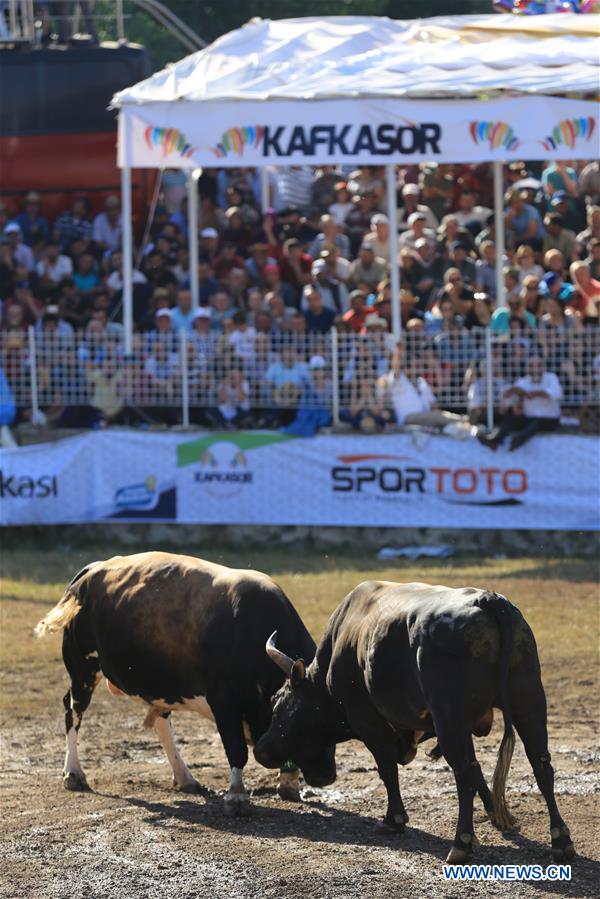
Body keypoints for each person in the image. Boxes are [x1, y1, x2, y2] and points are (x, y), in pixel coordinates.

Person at [479, 355, 562, 452]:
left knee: (537, 423)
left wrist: (531, 394)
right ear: (527, 368)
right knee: (510, 418)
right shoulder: (523, 382)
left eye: (539, 365)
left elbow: (554, 394)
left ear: (543, 367)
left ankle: (519, 439)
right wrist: (510, 396)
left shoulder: (551, 378)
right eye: (531, 365)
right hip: (528, 418)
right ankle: (496, 439)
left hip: (549, 420)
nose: (535, 368)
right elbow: (509, 397)